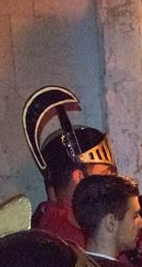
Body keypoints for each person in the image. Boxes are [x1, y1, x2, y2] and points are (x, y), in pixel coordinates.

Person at [23, 86, 118, 247]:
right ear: (79, 177)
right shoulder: (69, 241)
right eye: (105, 174)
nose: (112, 182)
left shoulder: (65, 225)